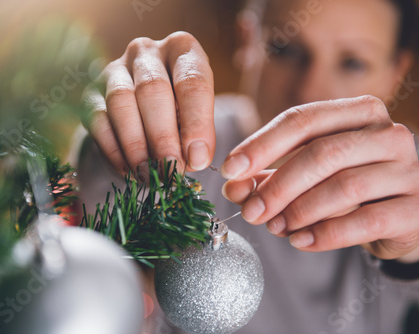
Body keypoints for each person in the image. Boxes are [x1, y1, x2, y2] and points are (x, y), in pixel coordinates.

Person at [77, 0, 419, 332]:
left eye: (353, 63)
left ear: (396, 74)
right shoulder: (182, 136)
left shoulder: (408, 178)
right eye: (284, 48)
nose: (309, 90)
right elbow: (96, 210)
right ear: (247, 39)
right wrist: (117, 134)